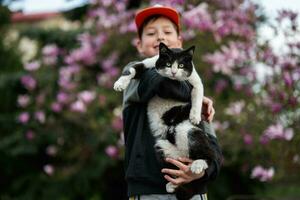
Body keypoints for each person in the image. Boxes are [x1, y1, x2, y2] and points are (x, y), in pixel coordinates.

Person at [121, 4, 222, 200]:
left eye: (167, 31)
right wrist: (196, 95)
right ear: (139, 45)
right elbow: (159, 82)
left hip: (193, 190)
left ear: (179, 41)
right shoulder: (133, 74)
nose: (160, 37)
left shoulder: (194, 90)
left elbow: (213, 147)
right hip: (148, 191)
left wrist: (202, 172)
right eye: (151, 33)